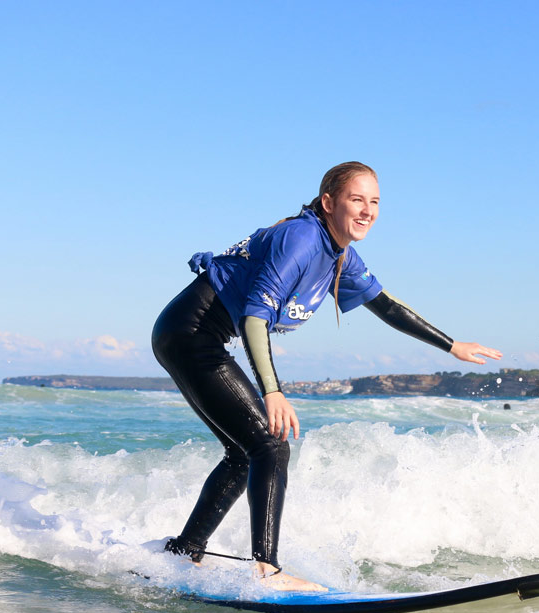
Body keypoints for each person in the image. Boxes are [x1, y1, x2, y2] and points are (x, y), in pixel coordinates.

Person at [151, 162, 502, 591]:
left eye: (374, 202)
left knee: (247, 452)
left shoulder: (342, 255)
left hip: (193, 335)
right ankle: (266, 569)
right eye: (357, 199)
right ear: (328, 202)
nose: (368, 210)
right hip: (191, 333)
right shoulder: (300, 239)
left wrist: (452, 345)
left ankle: (184, 552)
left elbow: (387, 306)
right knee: (270, 446)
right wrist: (273, 391)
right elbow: (254, 318)